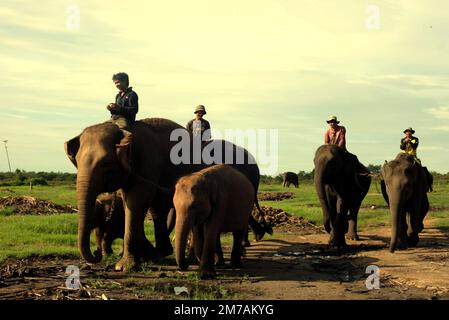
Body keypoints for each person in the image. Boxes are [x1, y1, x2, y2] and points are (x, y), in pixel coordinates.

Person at [107, 72, 138, 139]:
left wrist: (119, 107)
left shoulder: (132, 94)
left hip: (126, 119)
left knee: (123, 131)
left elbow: (134, 110)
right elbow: (117, 111)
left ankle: (125, 145)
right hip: (114, 118)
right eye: (115, 83)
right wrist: (111, 109)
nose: (116, 85)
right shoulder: (118, 96)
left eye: (118, 82)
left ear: (124, 81)